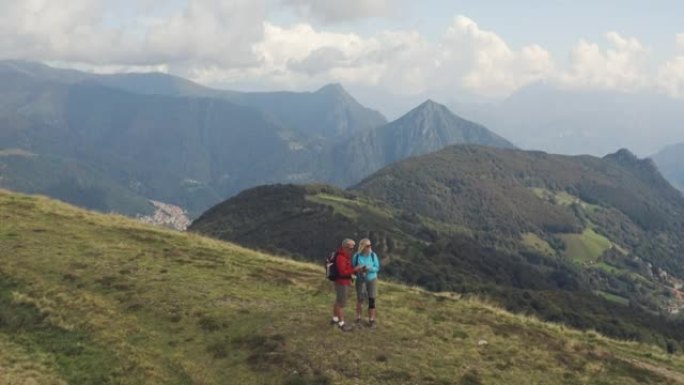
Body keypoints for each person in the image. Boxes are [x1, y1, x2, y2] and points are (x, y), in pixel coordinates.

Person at [331, 238, 365, 331]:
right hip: (342, 282)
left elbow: (346, 269)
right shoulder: (341, 257)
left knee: (338, 300)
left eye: (353, 248)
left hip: (343, 282)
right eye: (350, 248)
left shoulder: (345, 256)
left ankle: (335, 319)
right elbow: (343, 272)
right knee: (341, 303)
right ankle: (342, 324)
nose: (352, 250)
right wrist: (355, 269)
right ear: (345, 247)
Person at [352, 238, 380, 327]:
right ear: (362, 246)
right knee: (360, 299)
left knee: (372, 299)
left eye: (370, 245)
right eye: (368, 246)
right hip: (360, 280)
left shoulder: (373, 255)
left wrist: (369, 269)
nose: (370, 247)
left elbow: (377, 268)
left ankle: (371, 320)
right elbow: (353, 268)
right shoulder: (356, 256)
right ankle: (358, 318)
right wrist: (358, 269)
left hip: (372, 279)